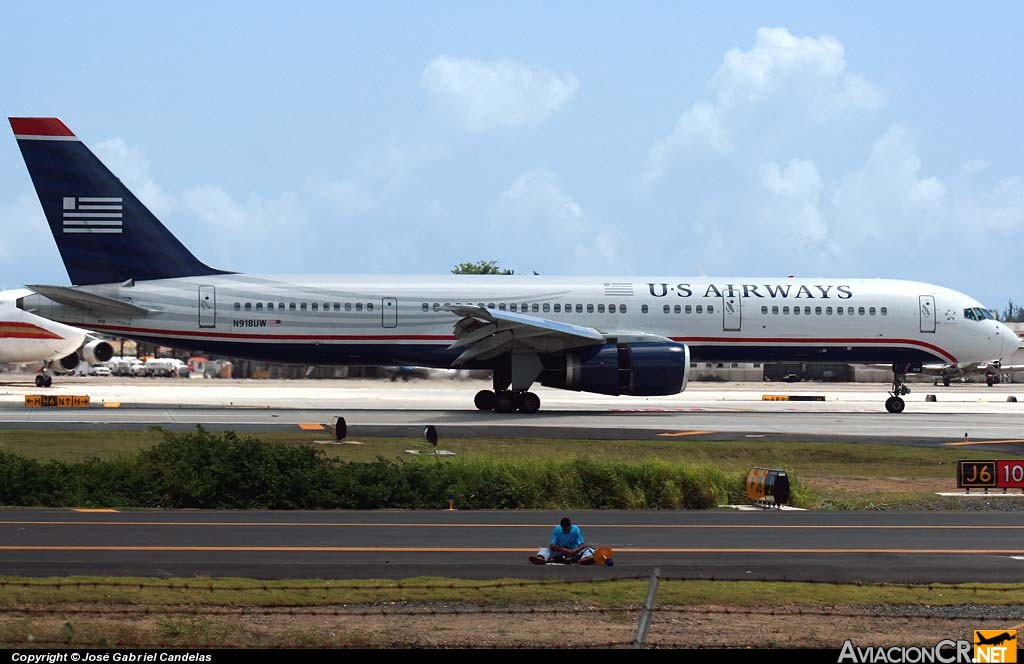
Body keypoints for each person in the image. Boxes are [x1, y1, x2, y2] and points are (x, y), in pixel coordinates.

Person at [529, 517, 595, 565]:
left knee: (588, 549)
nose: (566, 531)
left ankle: (585, 559)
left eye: (567, 529)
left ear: (570, 526)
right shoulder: (557, 529)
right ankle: (541, 558)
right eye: (564, 530)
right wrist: (564, 550)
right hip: (560, 551)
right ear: (561, 527)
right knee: (544, 549)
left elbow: (582, 544)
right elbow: (552, 546)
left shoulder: (576, 529)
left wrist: (575, 550)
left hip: (573, 552)